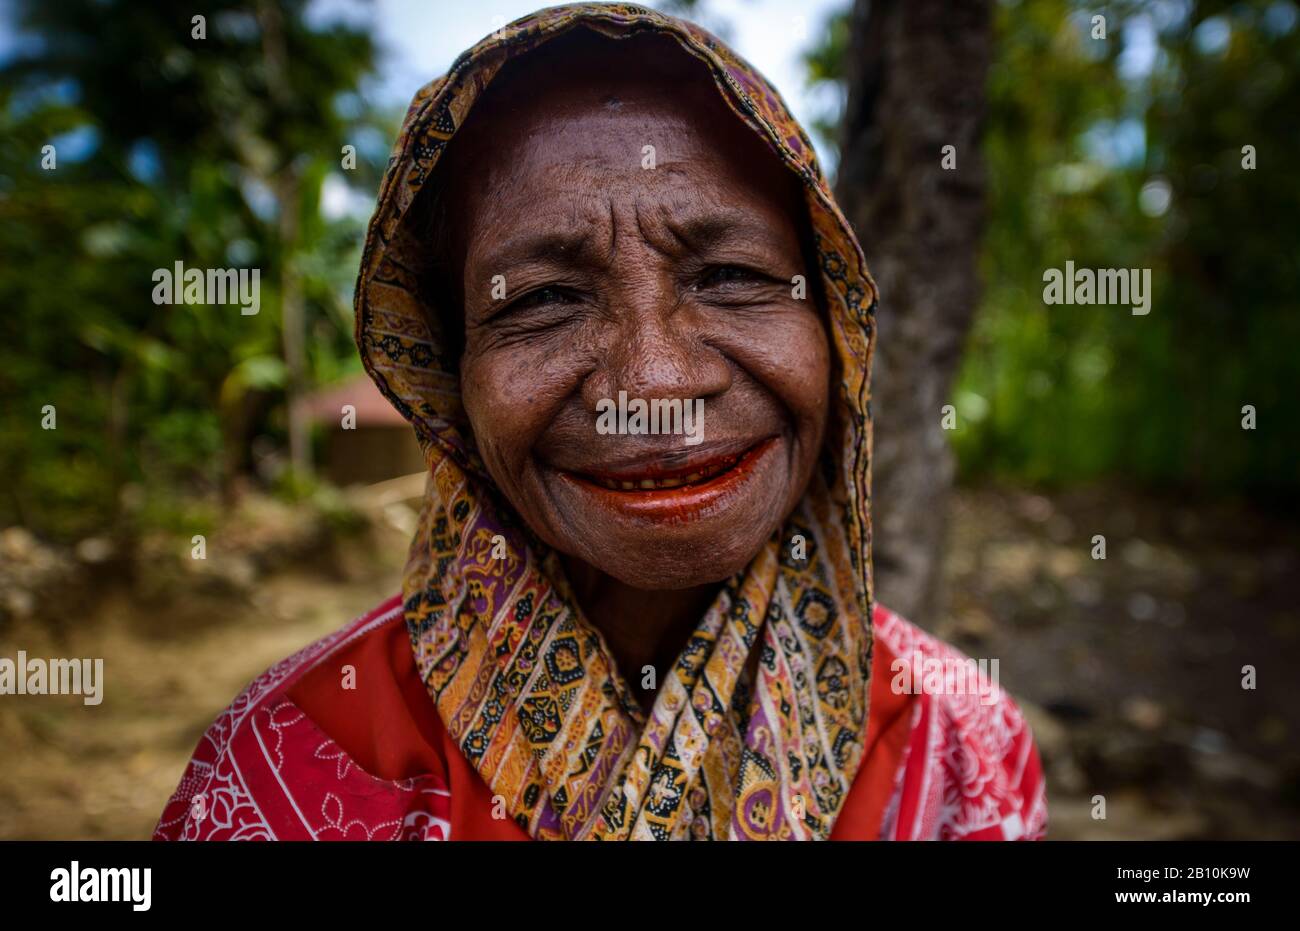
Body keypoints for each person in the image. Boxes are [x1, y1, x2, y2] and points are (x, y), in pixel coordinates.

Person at [156, 3, 1045, 841]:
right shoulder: (290, 773)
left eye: (731, 275)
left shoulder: (962, 749)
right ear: (443, 372)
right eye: (543, 298)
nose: (656, 380)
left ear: (834, 327)